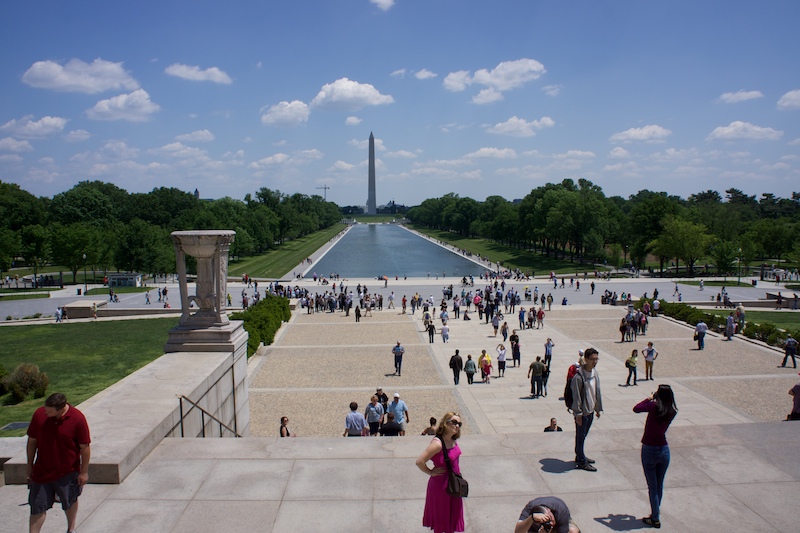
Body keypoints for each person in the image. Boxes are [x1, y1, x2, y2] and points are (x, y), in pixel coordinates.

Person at [26, 393, 91, 533]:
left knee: (70, 501)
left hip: (67, 471)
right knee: (37, 506)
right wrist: (29, 465)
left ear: (61, 409)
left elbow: (85, 447)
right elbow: (32, 441)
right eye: (45, 409)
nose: (45, 413)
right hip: (42, 471)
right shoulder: (39, 415)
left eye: (49, 411)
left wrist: (84, 472)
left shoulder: (77, 419)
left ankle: (71, 529)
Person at [633, 384, 678, 529]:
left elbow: (636, 408)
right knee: (659, 485)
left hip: (649, 449)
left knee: (652, 486)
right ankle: (655, 513)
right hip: (664, 450)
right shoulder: (672, 411)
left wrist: (650, 398)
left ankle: (655, 518)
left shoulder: (653, 407)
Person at [416, 412, 465, 533]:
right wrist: (431, 472)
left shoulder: (453, 439)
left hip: (454, 483)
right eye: (454, 422)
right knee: (441, 518)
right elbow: (420, 462)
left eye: (459, 423)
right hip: (441, 486)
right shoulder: (437, 444)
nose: (457, 425)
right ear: (445, 422)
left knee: (451, 518)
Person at [571, 347, 602, 471]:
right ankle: (581, 461)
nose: (595, 362)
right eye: (592, 359)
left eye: (596, 359)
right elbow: (576, 397)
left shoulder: (595, 373)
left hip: (590, 410)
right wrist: (578, 414)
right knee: (580, 436)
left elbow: (597, 391)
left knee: (583, 436)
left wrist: (598, 408)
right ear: (586, 359)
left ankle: (580, 456)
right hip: (582, 413)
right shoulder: (579, 377)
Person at [515, 496, 580, 533]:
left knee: (573, 531)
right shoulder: (529, 509)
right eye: (547, 522)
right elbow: (518, 532)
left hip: (560, 521)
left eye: (549, 518)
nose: (551, 523)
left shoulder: (561, 510)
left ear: (549, 511)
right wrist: (531, 518)